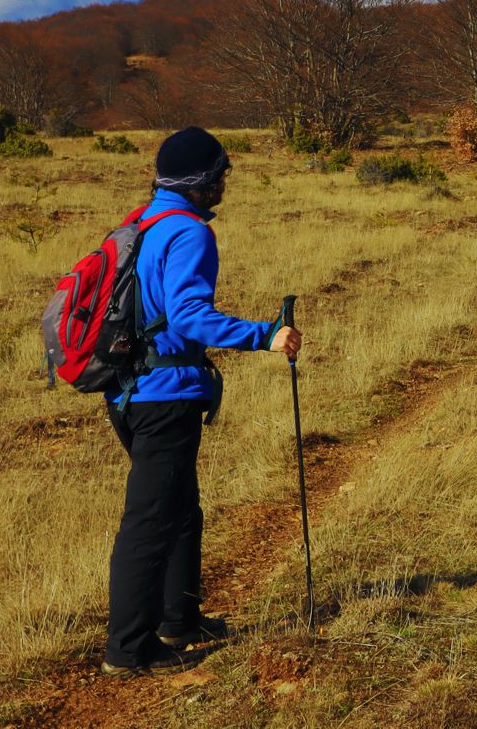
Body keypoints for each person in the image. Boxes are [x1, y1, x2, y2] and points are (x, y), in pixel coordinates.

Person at [100, 127, 303, 677]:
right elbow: (189, 316)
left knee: (181, 510)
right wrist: (266, 335)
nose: (226, 180)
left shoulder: (143, 223)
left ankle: (179, 620)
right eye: (221, 172)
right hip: (164, 395)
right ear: (203, 180)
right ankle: (128, 649)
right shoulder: (189, 233)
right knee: (149, 520)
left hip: (129, 391)